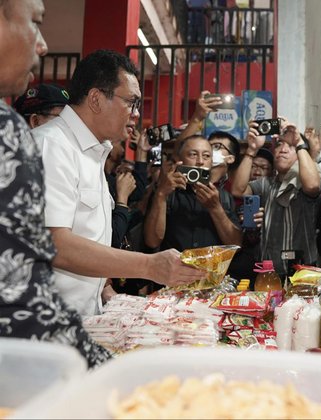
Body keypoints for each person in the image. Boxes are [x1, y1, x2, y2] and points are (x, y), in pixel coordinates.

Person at [31, 49, 205, 316]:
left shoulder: (92, 152)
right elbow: (54, 243)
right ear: (96, 99)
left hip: (84, 315)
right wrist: (149, 266)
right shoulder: (52, 146)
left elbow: (88, 236)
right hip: (46, 322)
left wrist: (105, 291)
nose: (136, 114)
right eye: (131, 102)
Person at [0, 0, 111, 368]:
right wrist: (104, 369)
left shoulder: (96, 154)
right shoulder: (16, 134)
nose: (43, 44)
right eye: (34, 22)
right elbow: (17, 288)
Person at [231, 119, 321, 281]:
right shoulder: (268, 184)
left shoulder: (306, 179)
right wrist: (252, 149)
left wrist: (300, 142)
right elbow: (238, 190)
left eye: (291, 146)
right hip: (268, 272)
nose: (283, 149)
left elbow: (313, 186)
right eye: (280, 144)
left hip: (302, 272)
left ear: (301, 153)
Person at [143, 134, 243, 253]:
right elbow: (152, 241)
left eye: (206, 156)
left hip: (210, 270)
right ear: (180, 161)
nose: (200, 161)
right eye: (193, 155)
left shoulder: (223, 197)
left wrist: (215, 208)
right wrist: (161, 194)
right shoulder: (167, 193)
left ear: (211, 162)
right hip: (173, 268)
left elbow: (235, 246)